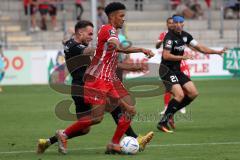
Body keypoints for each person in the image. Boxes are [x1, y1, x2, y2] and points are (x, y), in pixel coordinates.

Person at [37, 20, 153, 154]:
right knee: (94, 121)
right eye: (89, 34)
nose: (91, 37)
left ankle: (48, 141)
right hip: (83, 87)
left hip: (87, 86)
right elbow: (92, 51)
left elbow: (104, 63)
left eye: (93, 34)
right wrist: (108, 46)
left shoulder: (72, 44)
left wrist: (132, 67)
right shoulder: (75, 46)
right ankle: (131, 139)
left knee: (101, 118)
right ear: (80, 32)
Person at [64, 2, 153, 154]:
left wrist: (134, 67)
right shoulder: (107, 29)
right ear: (112, 16)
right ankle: (64, 134)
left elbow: (111, 57)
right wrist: (141, 49)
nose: (123, 19)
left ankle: (114, 143)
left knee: (130, 110)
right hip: (100, 79)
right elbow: (117, 47)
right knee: (97, 118)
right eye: (121, 16)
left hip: (110, 78)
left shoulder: (113, 32)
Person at [157, 15, 228, 133]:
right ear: (173, 24)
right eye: (176, 22)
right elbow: (166, 55)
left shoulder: (186, 36)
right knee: (179, 95)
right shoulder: (169, 37)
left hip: (176, 70)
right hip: (166, 70)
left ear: (183, 23)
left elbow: (200, 47)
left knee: (193, 93)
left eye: (181, 22)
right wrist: (183, 56)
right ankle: (162, 122)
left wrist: (216, 52)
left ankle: (170, 115)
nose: (178, 24)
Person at [156, 17, 189, 116]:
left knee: (185, 85)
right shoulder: (164, 35)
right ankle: (167, 107)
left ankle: (181, 105)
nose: (171, 25)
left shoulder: (181, 34)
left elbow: (189, 43)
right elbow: (157, 46)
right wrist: (160, 42)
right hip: (169, 63)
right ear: (167, 24)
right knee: (169, 87)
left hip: (180, 63)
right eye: (169, 23)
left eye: (172, 23)